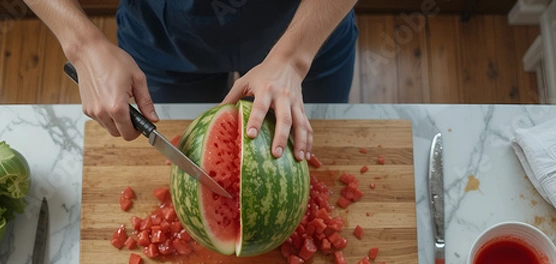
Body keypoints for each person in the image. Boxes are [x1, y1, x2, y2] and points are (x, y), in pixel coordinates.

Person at [23, 0, 358, 161]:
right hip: (162, 39)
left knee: (314, 152)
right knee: (190, 148)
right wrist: (82, 44)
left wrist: (294, 58)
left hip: (308, 26)